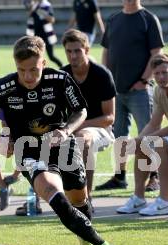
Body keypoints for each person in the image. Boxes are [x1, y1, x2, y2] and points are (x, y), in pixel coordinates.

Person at [0, 35, 118, 245]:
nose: (28, 77)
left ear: (43, 63)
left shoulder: (60, 79)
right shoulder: (4, 86)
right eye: (21, 70)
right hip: (29, 152)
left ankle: (85, 239)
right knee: (55, 195)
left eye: (34, 70)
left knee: (79, 199)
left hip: (62, 147)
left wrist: (65, 131)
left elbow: (81, 110)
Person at [96, 0, 164, 191]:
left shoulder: (148, 19)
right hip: (116, 90)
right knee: (119, 136)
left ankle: (154, 176)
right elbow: (107, 51)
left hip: (140, 90)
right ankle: (119, 177)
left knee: (148, 132)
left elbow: (157, 53)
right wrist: (107, 80)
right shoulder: (114, 19)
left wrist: (143, 81)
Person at [116, 53, 168, 215]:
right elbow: (154, 123)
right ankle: (138, 198)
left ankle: (165, 202)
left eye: (165, 72)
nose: (161, 77)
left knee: (157, 144)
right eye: (157, 73)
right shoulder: (158, 90)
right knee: (140, 145)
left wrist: (146, 140)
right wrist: (137, 141)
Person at [60, 29, 115, 205]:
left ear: (87, 50)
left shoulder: (102, 75)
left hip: (101, 130)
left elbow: (109, 117)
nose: (73, 55)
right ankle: (39, 197)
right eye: (69, 51)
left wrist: (77, 126)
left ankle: (85, 196)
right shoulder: (62, 76)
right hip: (69, 130)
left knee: (83, 139)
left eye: (77, 50)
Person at [25, 0, 63, 68]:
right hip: (35, 35)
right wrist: (33, 7)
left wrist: (42, 13)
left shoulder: (46, 5)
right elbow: (29, 15)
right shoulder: (33, 5)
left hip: (46, 35)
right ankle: (39, 70)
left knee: (51, 56)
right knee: (35, 56)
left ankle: (62, 67)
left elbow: (52, 20)